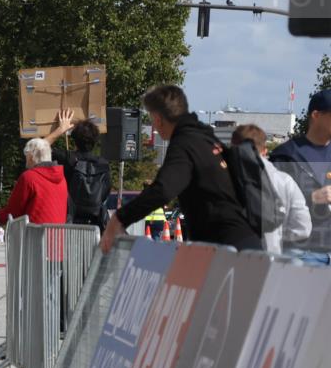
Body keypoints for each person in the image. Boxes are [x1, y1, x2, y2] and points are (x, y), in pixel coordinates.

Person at [101, 85, 261, 254]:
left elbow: (163, 189)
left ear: (158, 119)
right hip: (242, 242)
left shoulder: (184, 143)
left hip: (226, 248)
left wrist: (119, 219)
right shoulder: (206, 137)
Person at [270, 89, 331, 265]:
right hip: (301, 254)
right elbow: (272, 205)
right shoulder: (287, 155)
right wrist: (312, 198)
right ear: (316, 115)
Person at [232, 124, 311, 254]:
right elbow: (303, 228)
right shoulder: (285, 181)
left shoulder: (224, 177)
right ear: (264, 150)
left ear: (234, 147)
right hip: (271, 257)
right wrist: (277, 235)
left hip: (232, 256)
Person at [44, 110, 112, 231]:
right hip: (97, 223)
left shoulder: (68, 158)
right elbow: (106, 191)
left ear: (74, 140)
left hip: (70, 220)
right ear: (95, 140)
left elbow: (40, 147)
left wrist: (61, 129)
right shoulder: (104, 164)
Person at [0, 138, 68, 226]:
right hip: (57, 236)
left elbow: (14, 211)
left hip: (35, 236)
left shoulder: (29, 177)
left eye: (26, 155)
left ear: (31, 156)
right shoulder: (62, 179)